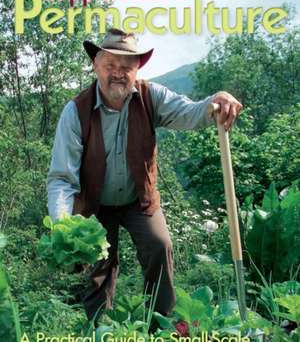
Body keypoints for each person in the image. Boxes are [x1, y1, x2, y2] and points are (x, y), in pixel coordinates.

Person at [47, 28, 242, 321]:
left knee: (159, 245)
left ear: (137, 69)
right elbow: (62, 178)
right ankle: (99, 331)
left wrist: (217, 100)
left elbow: (189, 112)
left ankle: (160, 325)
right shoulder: (75, 112)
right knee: (98, 265)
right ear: (95, 66)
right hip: (94, 204)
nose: (118, 73)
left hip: (139, 199)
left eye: (126, 67)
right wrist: (62, 224)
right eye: (110, 65)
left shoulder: (152, 97)